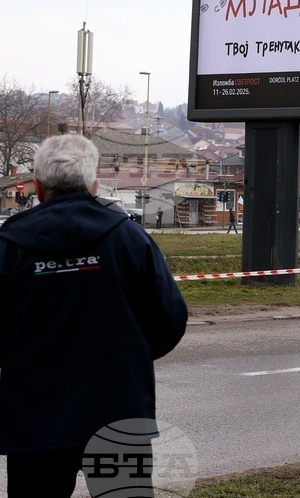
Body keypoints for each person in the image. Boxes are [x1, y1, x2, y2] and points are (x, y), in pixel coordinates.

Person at [0, 134, 188, 498]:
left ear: (37, 186)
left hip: (35, 418)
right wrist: (131, 356)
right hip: (116, 411)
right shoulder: (130, 239)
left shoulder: (9, 245)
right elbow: (171, 318)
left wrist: (19, 363)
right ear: (94, 182)